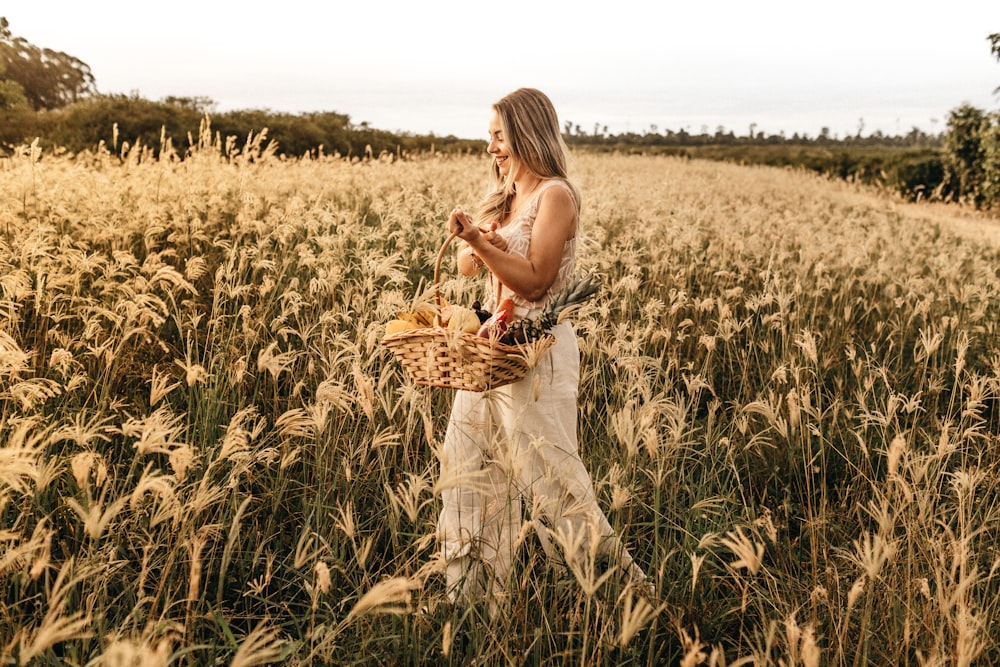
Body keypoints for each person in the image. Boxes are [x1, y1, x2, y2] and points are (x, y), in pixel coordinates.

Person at [438, 88, 651, 611]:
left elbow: (535, 283)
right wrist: (471, 236)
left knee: (553, 481)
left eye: (499, 137)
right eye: (488, 138)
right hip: (488, 351)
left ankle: (622, 598)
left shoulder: (555, 195)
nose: (491, 148)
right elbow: (469, 267)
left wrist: (486, 246)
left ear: (528, 133)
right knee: (468, 469)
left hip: (536, 353)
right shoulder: (506, 195)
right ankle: (474, 602)